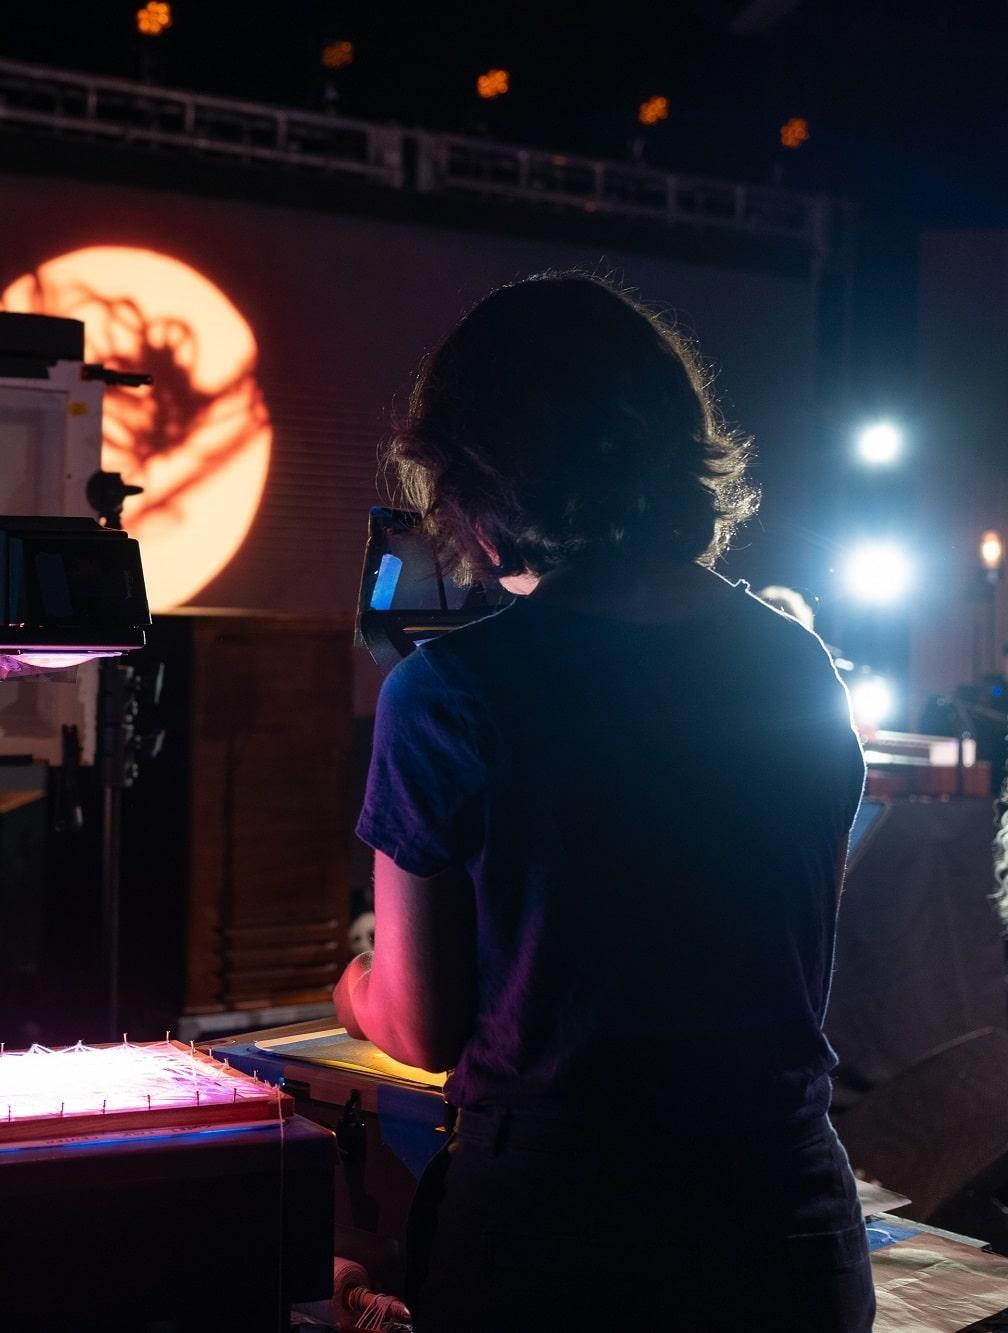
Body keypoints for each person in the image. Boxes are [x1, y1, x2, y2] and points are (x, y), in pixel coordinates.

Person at [333, 275, 872, 1329]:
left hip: (560, 1230)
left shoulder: (451, 692)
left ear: (478, 479)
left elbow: (420, 1023)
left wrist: (354, 986)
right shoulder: (797, 664)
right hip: (787, 1217)